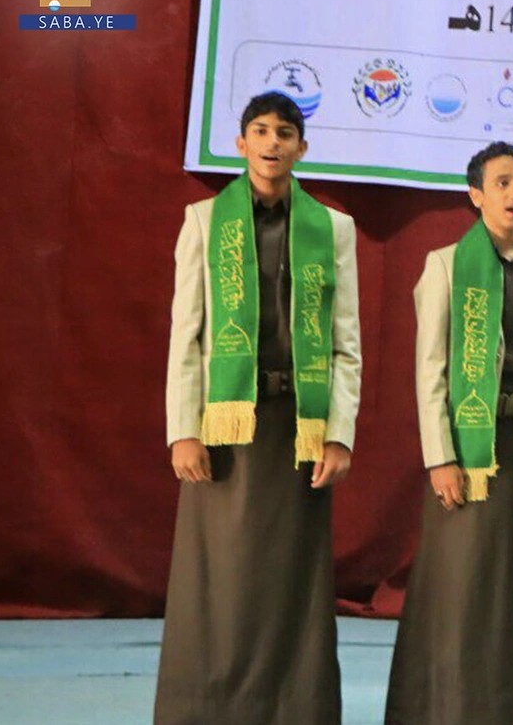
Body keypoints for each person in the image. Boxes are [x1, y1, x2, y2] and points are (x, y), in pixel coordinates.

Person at [155, 91, 362, 724]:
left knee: (292, 584)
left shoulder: (332, 229)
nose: (273, 143)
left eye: (285, 133)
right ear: (241, 143)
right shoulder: (203, 221)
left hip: (298, 431)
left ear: (303, 148)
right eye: (262, 131)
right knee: (219, 581)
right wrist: (183, 431)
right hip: (226, 430)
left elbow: (345, 344)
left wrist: (340, 435)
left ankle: (294, 710)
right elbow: (186, 335)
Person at [385, 141, 513, 725]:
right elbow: (430, 371)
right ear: (476, 195)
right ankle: (453, 706)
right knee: (465, 584)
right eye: (501, 183)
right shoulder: (447, 265)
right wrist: (440, 458)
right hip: (474, 451)